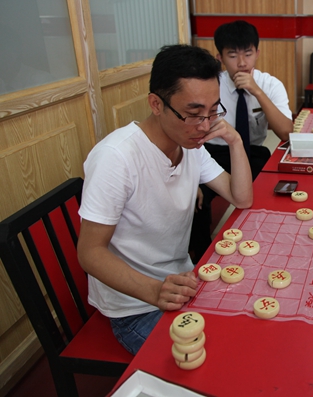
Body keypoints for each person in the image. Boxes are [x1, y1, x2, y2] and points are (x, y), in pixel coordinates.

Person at [77, 45, 253, 355]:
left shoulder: (191, 144)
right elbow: (89, 253)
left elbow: (241, 198)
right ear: (156, 104)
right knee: (219, 360)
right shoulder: (116, 158)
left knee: (247, 335)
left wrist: (235, 140)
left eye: (213, 111)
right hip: (136, 306)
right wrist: (155, 291)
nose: (205, 125)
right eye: (193, 114)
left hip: (182, 283)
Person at [190, 20, 293, 259]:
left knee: (269, 191)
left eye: (248, 53)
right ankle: (203, 256)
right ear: (220, 57)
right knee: (196, 199)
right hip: (213, 152)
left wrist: (257, 91)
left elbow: (286, 134)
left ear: (257, 53)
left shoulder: (270, 84)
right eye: (233, 55)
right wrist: (191, 178)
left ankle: (261, 244)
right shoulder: (211, 85)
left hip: (252, 152)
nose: (242, 63)